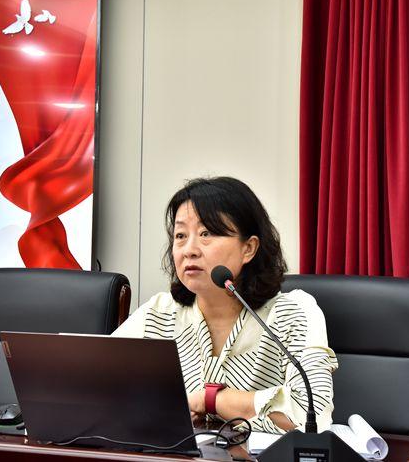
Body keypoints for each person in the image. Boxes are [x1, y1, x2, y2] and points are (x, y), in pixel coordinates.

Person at [113, 177, 337, 433]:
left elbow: (313, 416)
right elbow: (96, 387)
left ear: (249, 248)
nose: (189, 250)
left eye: (206, 233)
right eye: (180, 235)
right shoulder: (159, 313)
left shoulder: (294, 313)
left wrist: (211, 401)